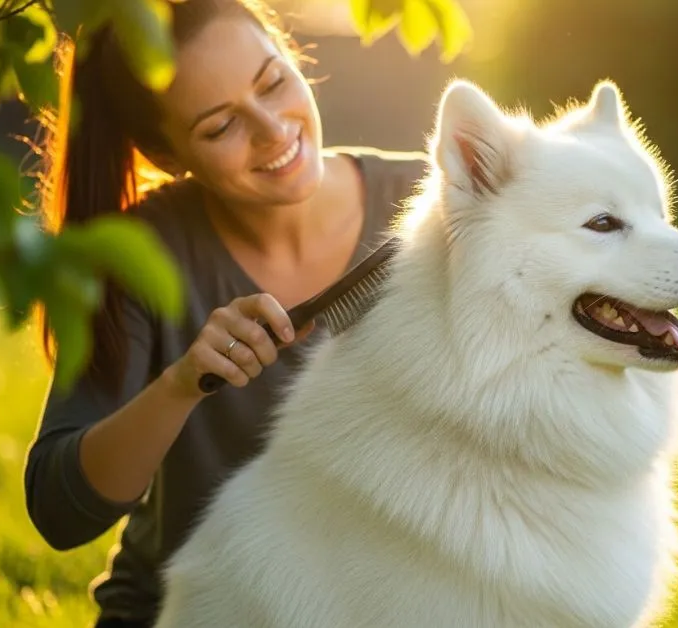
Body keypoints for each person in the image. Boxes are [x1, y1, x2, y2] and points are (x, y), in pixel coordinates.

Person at [22, 1, 427, 626]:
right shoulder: (140, 258)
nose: (272, 129)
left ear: (292, 56)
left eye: (272, 81)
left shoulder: (433, 208)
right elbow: (59, 510)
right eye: (220, 127)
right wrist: (181, 385)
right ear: (169, 155)